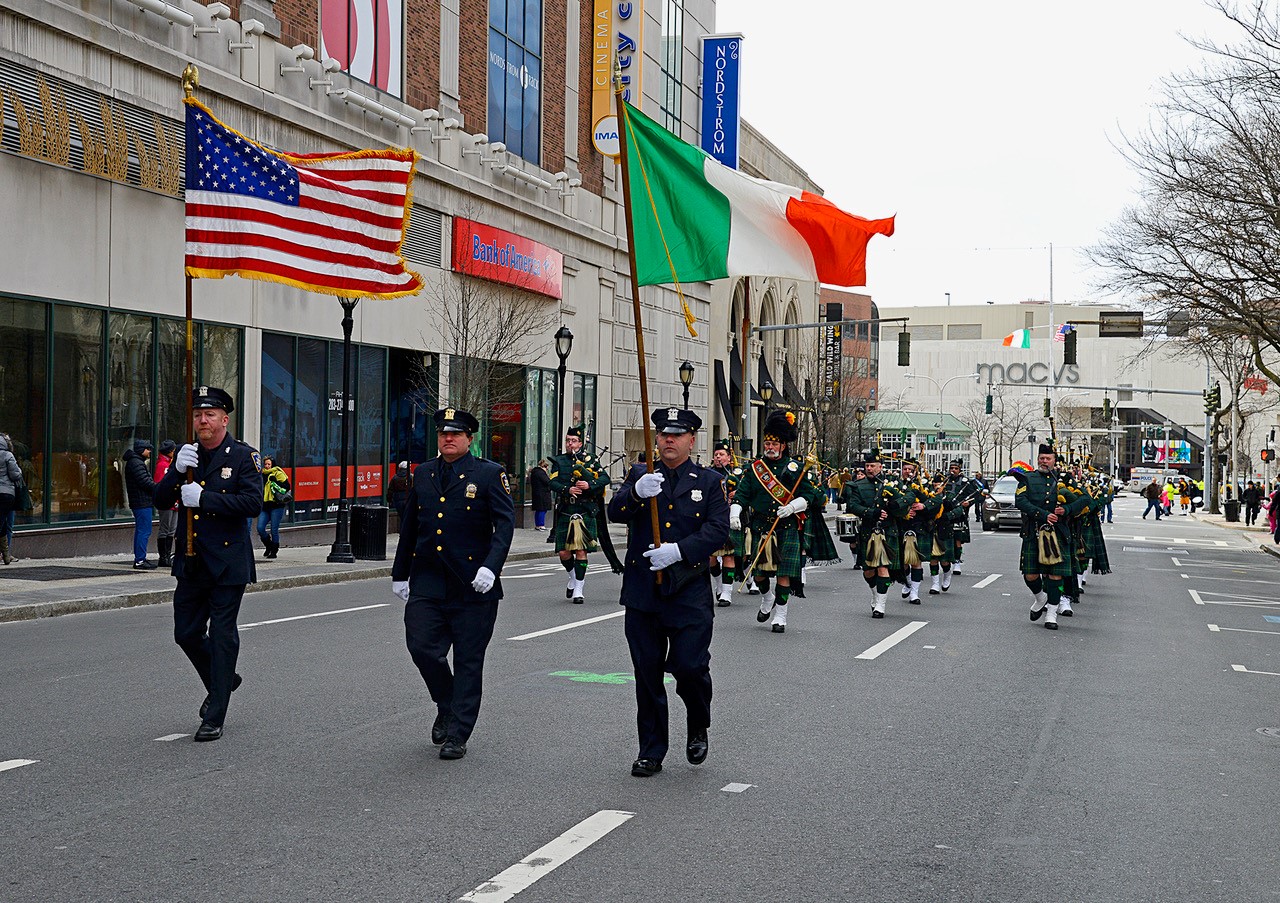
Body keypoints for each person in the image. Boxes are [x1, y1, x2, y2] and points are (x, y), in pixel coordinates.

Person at [607, 407, 729, 778]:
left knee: (690, 667)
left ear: (692, 441)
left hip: (688, 589)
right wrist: (636, 495)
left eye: (677, 435)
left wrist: (679, 551)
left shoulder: (708, 481)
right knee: (647, 673)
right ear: (656, 439)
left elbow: (718, 530)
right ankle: (651, 750)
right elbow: (615, 512)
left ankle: (697, 720)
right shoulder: (641, 475)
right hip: (644, 592)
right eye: (663, 435)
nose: (669, 441)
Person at [391, 407, 514, 760]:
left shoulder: (490, 474)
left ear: (469, 439)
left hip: (472, 583)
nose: (448, 439)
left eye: (456, 434)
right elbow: (412, 525)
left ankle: (458, 733)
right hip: (428, 579)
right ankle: (446, 703)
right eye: (444, 434)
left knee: (469, 660)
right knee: (422, 648)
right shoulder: (425, 472)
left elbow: (504, 526)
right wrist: (400, 572)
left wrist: (491, 568)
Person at [154, 386, 262, 741]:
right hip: (192, 560)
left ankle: (215, 712)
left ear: (224, 419)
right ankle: (224, 680)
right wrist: (174, 473)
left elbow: (251, 504)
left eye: (210, 414)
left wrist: (205, 498)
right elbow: (159, 498)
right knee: (185, 632)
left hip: (228, 560)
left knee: (222, 635)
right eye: (198, 414)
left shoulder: (243, 457)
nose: (203, 420)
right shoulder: (187, 455)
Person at [732, 410, 826, 633]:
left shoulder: (795, 469)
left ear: (783, 445)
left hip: (787, 526)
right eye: (767, 443)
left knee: (784, 573)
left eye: (774, 444)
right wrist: (734, 514)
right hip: (761, 526)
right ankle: (767, 598)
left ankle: (781, 616)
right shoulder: (755, 470)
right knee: (760, 574)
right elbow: (741, 495)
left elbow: (812, 496)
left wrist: (793, 507)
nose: (770, 447)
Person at [1015, 444, 1090, 630]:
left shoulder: (1066, 480)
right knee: (1030, 574)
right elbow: (1020, 501)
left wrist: (1066, 509)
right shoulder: (1028, 479)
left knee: (1055, 575)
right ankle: (1041, 597)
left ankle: (1051, 614)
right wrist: (1042, 514)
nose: (1044, 461)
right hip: (1034, 532)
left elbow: (1087, 500)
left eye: (1048, 458)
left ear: (1054, 460)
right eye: (1041, 458)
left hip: (1058, 533)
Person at [547, 425, 618, 603]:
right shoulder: (559, 461)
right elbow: (552, 482)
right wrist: (567, 489)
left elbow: (604, 479)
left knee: (581, 550)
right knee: (563, 552)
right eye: (567, 440)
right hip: (566, 509)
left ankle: (579, 588)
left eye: (573, 441)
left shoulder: (590, 460)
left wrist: (589, 485)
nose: (570, 444)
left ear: (580, 443)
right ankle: (572, 577)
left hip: (585, 509)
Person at [843, 450, 910, 617]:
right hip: (868, 532)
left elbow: (909, 497)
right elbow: (853, 506)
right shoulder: (857, 485)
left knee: (882, 567)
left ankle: (880, 604)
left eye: (873, 466)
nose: (869, 468)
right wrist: (871, 513)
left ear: (880, 467)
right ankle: (875, 593)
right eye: (867, 466)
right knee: (868, 571)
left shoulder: (892, 484)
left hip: (888, 531)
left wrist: (894, 507)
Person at [707, 440, 744, 606]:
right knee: (711, 558)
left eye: (721, 455)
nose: (718, 457)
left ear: (729, 457)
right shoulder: (707, 474)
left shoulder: (737, 476)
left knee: (729, 555)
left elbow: (744, 496)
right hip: (712, 520)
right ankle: (719, 582)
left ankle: (727, 593)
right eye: (716, 455)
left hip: (730, 519)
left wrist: (736, 495)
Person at [122, 439, 156, 569]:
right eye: (148, 449)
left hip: (140, 501)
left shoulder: (135, 462)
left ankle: (140, 558)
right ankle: (140, 560)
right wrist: (158, 488)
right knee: (144, 531)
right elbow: (145, 482)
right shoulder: (136, 463)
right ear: (142, 450)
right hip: (141, 502)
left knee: (141, 530)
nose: (149, 452)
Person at [256, 455, 291, 558]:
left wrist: (274, 481)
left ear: (273, 464)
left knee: (274, 529)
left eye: (269, 464)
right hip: (265, 505)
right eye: (265, 464)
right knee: (260, 528)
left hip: (277, 505)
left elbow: (286, 487)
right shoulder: (261, 474)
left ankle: (274, 551)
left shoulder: (278, 473)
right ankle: (268, 545)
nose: (267, 466)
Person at [154, 440, 178, 567]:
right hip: (167, 502)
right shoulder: (162, 465)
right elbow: (161, 485)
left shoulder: (169, 464)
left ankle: (167, 555)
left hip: (174, 502)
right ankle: (163, 557)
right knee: (165, 528)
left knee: (171, 530)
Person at [0, 433, 21, 565]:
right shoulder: (8, 455)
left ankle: (6, 555)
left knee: (2, 524)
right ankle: (6, 555)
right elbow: (15, 475)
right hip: (7, 495)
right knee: (6, 524)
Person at [529, 459, 552, 531]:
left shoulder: (535, 472)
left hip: (537, 493)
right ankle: (541, 525)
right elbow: (547, 482)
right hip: (542, 493)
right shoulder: (541, 473)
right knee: (542, 509)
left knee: (539, 510)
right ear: (544, 466)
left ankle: (538, 525)